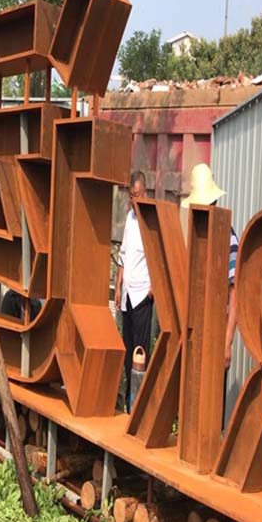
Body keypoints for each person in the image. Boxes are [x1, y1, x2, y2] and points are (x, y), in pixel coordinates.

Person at [180, 163, 238, 368]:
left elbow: (235, 293)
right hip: (196, 330)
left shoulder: (229, 239)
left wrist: (227, 341)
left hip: (217, 332)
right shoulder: (198, 237)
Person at [115, 170, 152, 411]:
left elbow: (157, 255)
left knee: (141, 352)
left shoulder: (150, 218)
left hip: (142, 294)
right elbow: (124, 255)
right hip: (128, 293)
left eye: (137, 195)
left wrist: (153, 288)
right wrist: (118, 286)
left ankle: (139, 405)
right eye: (131, 196)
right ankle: (129, 402)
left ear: (145, 193)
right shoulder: (130, 217)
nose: (134, 200)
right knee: (128, 349)